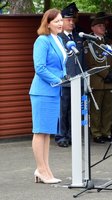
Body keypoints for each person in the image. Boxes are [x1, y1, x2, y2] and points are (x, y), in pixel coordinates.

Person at [29, 8, 66, 184]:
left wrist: (66, 78)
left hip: (54, 91)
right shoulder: (42, 41)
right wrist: (58, 80)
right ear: (48, 23)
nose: (60, 23)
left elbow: (61, 65)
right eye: (57, 21)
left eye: (61, 20)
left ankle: (45, 169)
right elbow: (40, 67)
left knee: (47, 133)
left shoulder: (58, 40)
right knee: (39, 131)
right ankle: (41, 169)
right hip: (42, 91)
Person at [54, 4, 84, 148]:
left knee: (75, 110)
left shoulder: (78, 37)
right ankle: (61, 136)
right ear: (62, 21)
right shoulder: (57, 38)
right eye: (68, 20)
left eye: (72, 20)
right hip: (64, 80)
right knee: (63, 110)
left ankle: (73, 135)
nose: (71, 22)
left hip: (77, 79)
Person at [83, 12, 112, 143]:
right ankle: (96, 133)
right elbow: (91, 62)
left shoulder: (109, 41)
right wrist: (105, 74)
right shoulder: (88, 42)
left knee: (108, 109)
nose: (103, 28)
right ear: (93, 28)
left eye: (103, 25)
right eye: (99, 25)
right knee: (96, 109)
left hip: (109, 81)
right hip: (97, 80)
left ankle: (106, 132)